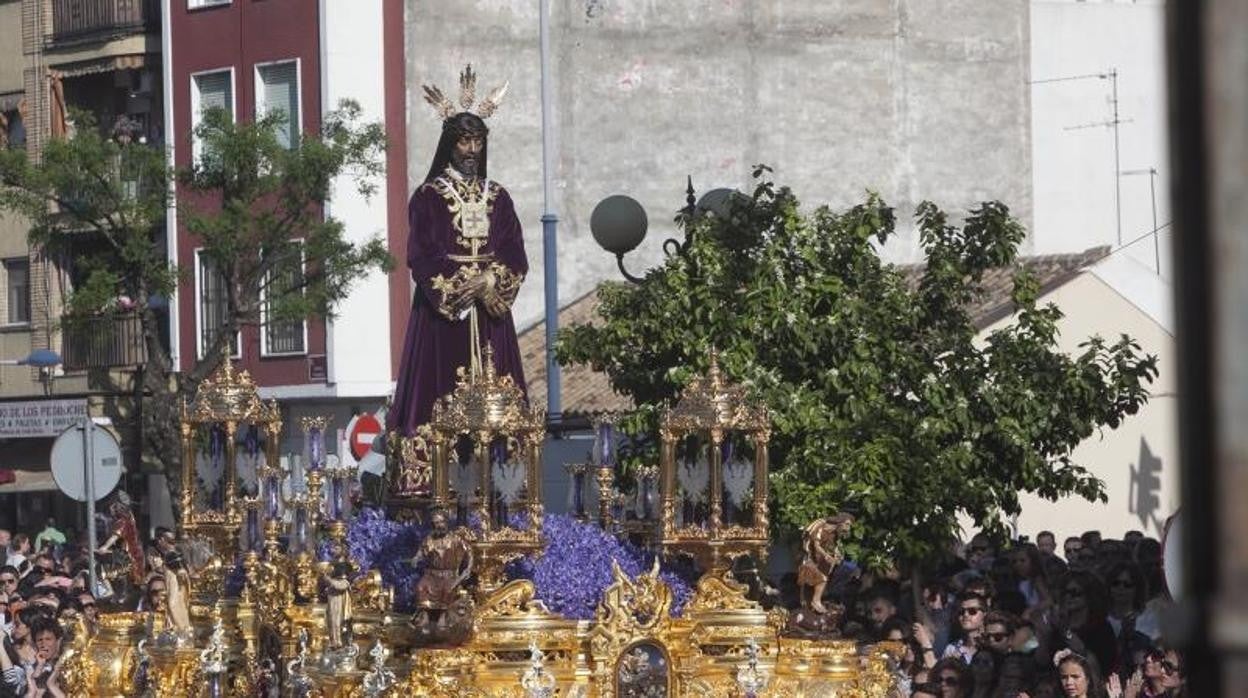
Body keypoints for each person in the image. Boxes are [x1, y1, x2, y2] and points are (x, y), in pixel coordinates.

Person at [387, 66, 528, 448]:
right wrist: (466, 288)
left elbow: (514, 249)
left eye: (478, 142)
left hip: (491, 315)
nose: (472, 150)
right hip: (444, 317)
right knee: (438, 398)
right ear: (450, 144)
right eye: (465, 142)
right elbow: (423, 254)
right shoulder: (428, 196)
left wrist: (491, 281)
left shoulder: (498, 196)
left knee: (500, 404)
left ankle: (504, 486)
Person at [412, 510, 473, 632]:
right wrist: (416, 558)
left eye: (440, 522)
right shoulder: (430, 539)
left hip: (449, 575)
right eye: (435, 523)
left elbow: (469, 552)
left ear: (446, 522)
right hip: (431, 575)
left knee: (448, 588)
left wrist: (468, 568)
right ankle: (425, 614)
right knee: (421, 587)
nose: (438, 525)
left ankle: (443, 615)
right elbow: (421, 550)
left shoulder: (455, 539)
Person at [796, 513, 854, 615]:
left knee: (822, 579)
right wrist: (826, 555)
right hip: (811, 558)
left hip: (821, 561)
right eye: (847, 524)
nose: (848, 528)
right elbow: (816, 545)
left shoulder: (834, 534)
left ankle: (815, 602)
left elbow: (833, 547)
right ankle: (814, 602)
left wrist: (836, 555)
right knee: (818, 580)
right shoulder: (821, 528)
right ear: (840, 523)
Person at [944, 592, 988, 664]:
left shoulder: (992, 644)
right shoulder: (951, 649)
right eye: (961, 612)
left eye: (972, 611)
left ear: (984, 615)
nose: (965, 615)